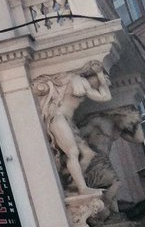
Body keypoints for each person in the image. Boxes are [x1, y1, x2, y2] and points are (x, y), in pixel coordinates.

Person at [34, 61, 111, 195]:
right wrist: (99, 75)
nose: (102, 85)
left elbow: (106, 95)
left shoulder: (74, 80)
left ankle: (73, 185)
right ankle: (81, 188)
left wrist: (99, 75)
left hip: (66, 120)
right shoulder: (79, 81)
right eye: (102, 82)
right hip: (58, 118)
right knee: (73, 152)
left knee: (87, 153)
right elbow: (105, 96)